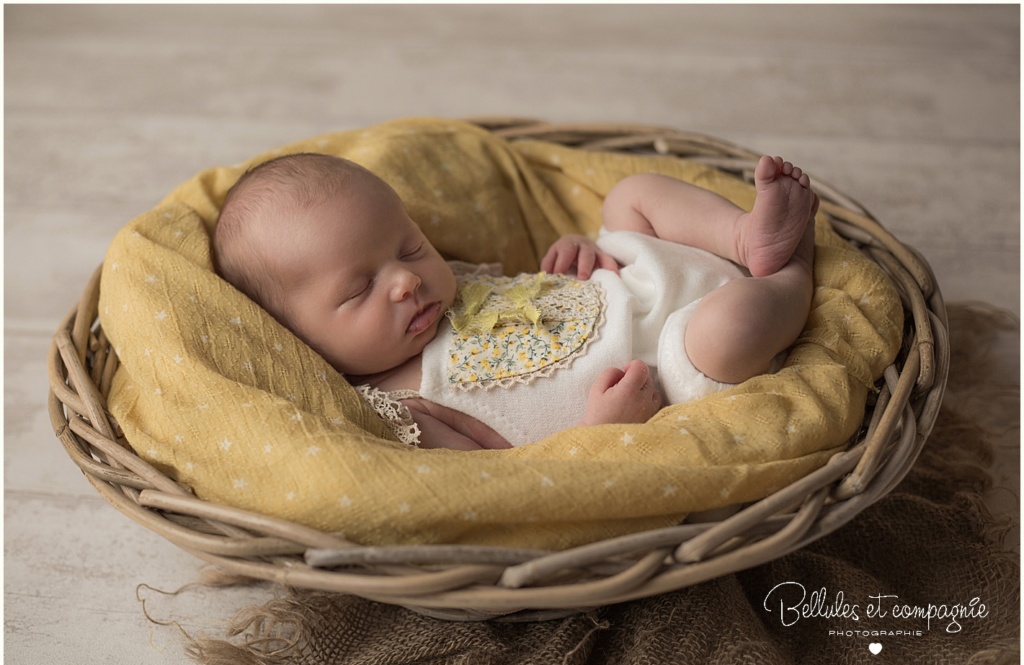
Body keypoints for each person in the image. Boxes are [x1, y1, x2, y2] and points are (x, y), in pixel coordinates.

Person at [213, 152, 818, 450]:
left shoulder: (440, 286)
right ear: (295, 336)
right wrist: (598, 436)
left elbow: (537, 293)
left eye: (410, 245)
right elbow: (509, 485)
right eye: (359, 289)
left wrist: (578, 252)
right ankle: (795, 270)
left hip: (636, 279)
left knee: (629, 197)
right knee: (728, 328)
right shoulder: (401, 411)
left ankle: (746, 238)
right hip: (672, 360)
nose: (406, 280)